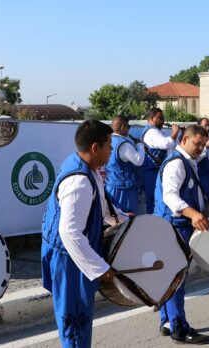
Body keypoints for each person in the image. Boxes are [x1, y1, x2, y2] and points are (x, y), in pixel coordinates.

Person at [41, 120, 128, 348]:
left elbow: (100, 205)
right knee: (75, 323)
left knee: (78, 319)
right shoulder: (79, 181)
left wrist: (123, 219)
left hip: (72, 253)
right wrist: (100, 268)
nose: (112, 149)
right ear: (95, 148)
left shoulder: (83, 165)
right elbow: (69, 232)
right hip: (68, 257)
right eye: (109, 144)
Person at [153, 125, 209, 344]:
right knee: (176, 279)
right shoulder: (177, 163)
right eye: (197, 143)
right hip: (175, 226)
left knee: (169, 278)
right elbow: (170, 196)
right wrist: (193, 213)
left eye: (203, 145)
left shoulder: (186, 160)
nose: (200, 148)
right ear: (184, 139)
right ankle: (179, 328)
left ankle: (167, 321)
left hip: (175, 225)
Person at [141, 108, 179, 213]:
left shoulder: (159, 131)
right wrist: (175, 132)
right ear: (152, 118)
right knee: (154, 199)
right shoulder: (151, 132)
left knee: (161, 198)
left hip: (159, 170)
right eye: (160, 118)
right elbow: (166, 144)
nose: (163, 120)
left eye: (163, 118)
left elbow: (172, 145)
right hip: (152, 171)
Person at [105, 116, 145, 214]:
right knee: (126, 221)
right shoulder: (123, 144)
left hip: (110, 185)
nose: (128, 129)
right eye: (128, 126)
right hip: (124, 190)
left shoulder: (108, 140)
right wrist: (140, 145)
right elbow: (138, 161)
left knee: (113, 219)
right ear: (123, 127)